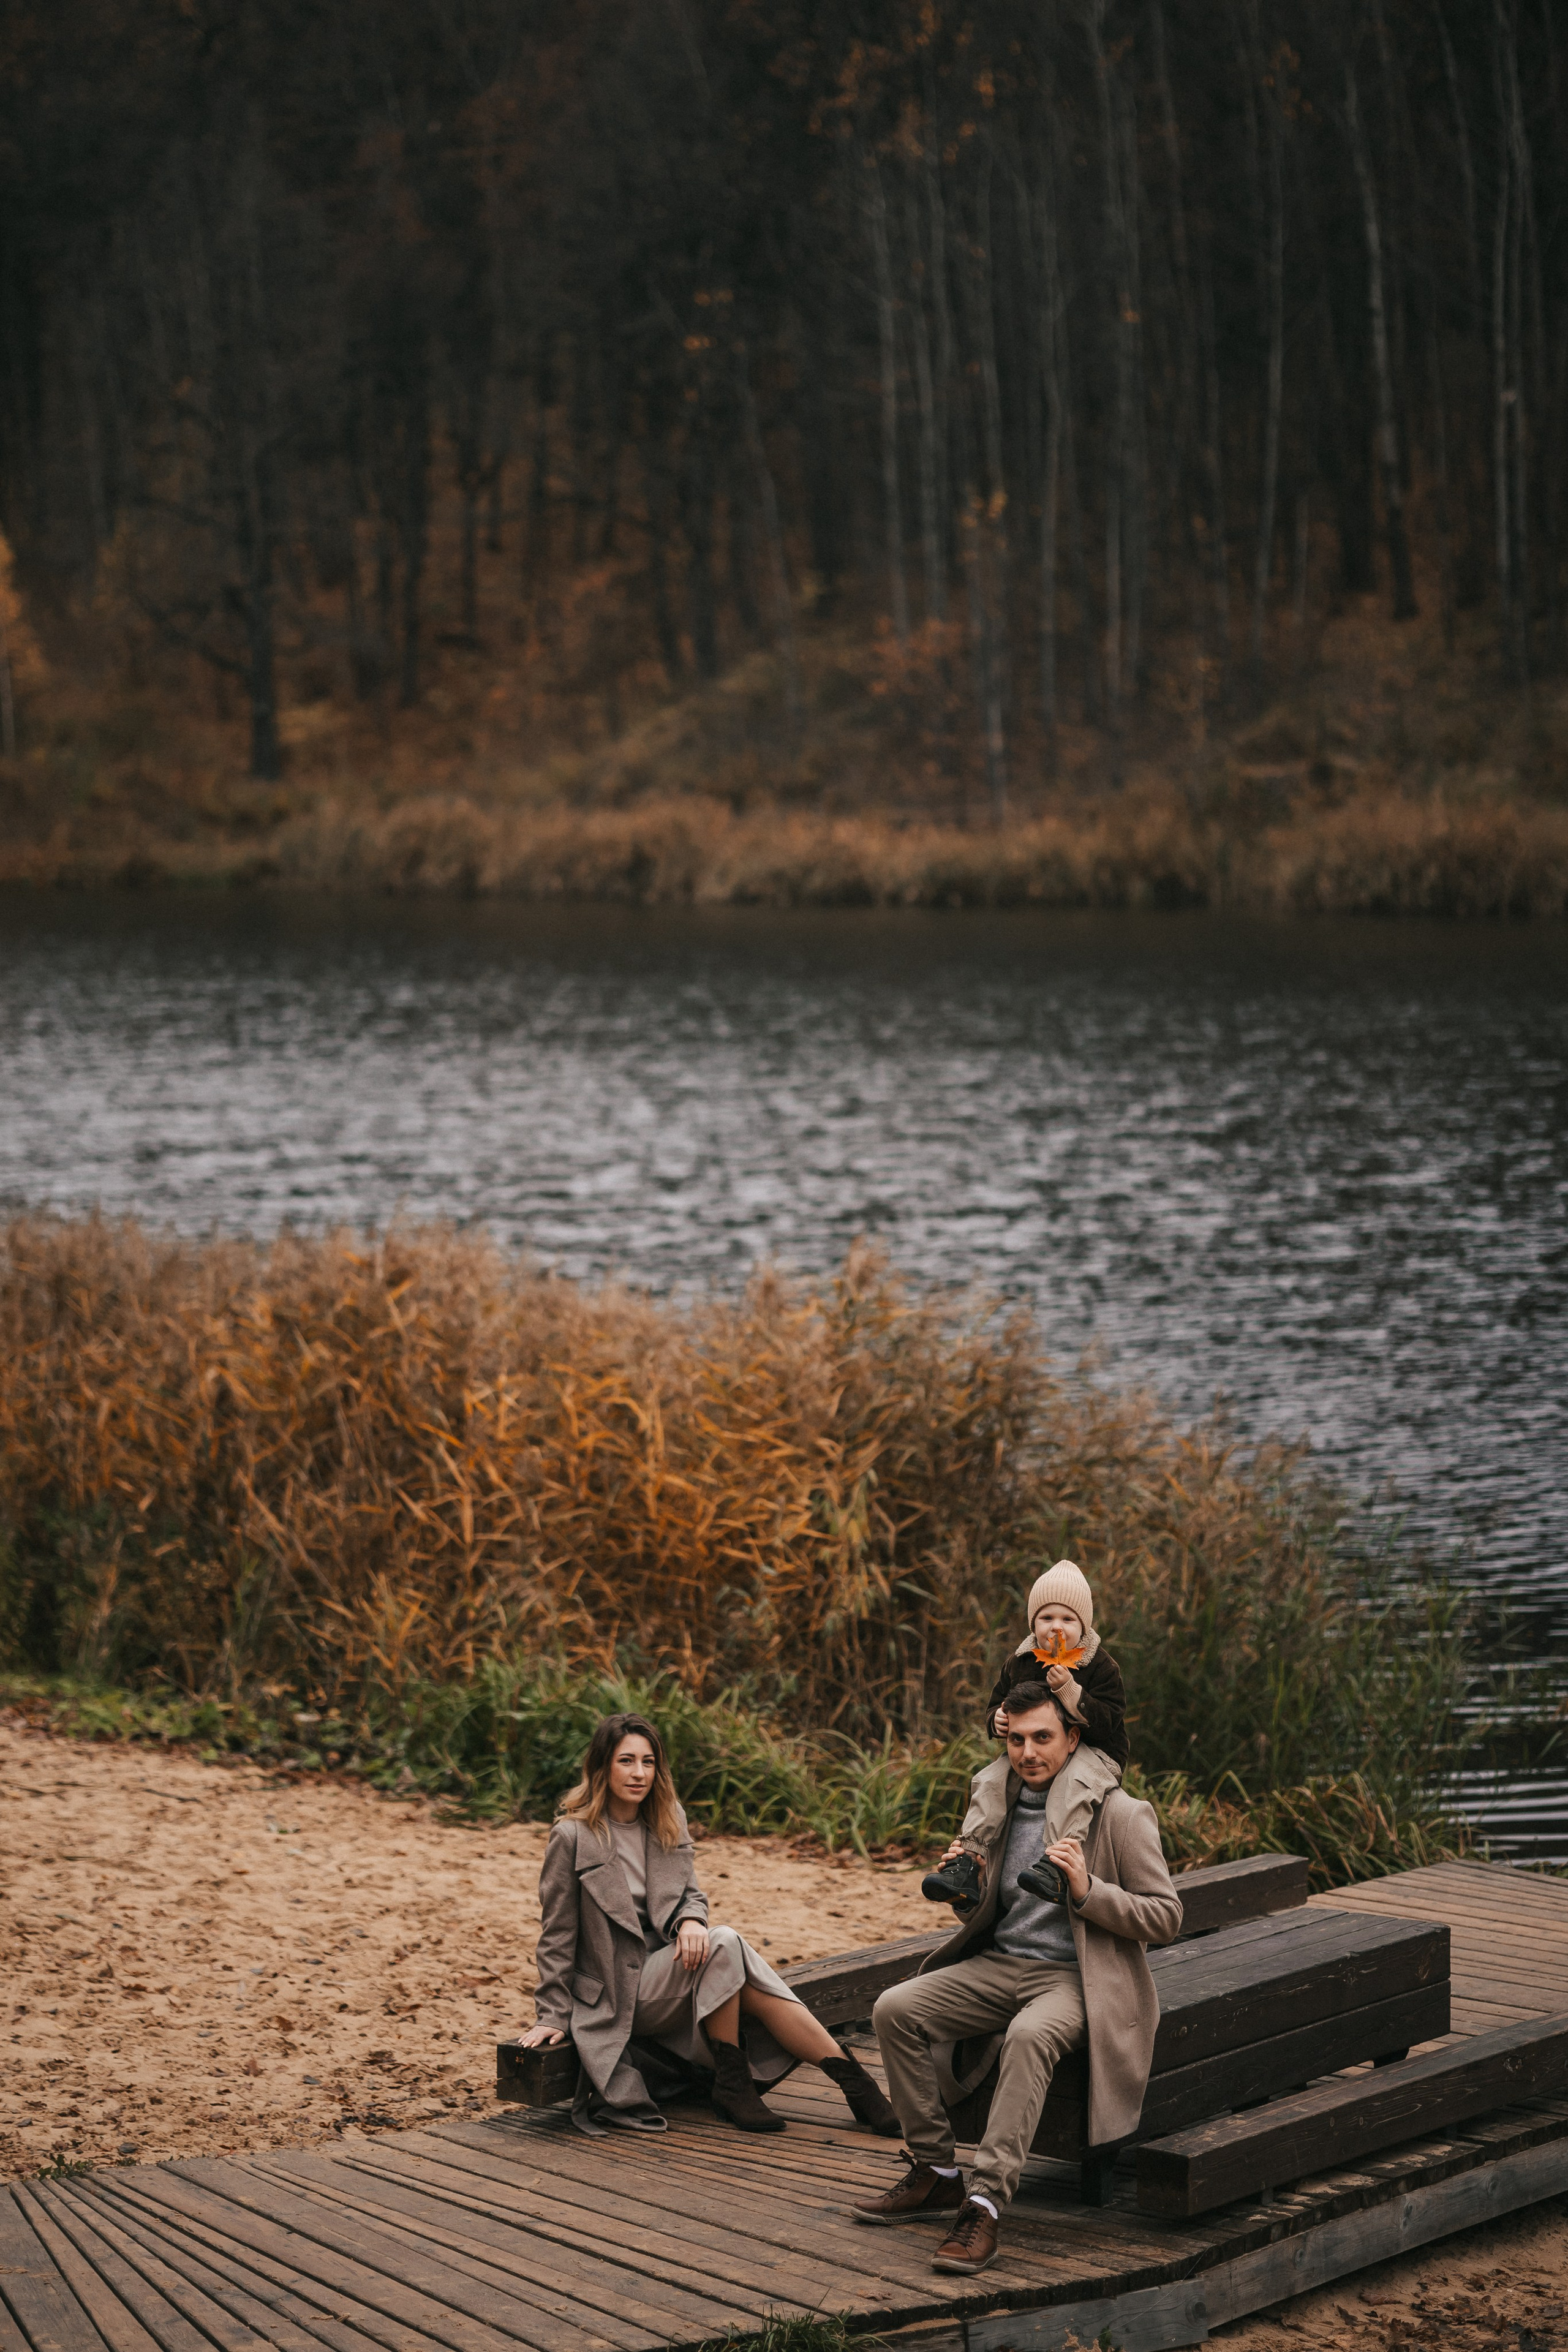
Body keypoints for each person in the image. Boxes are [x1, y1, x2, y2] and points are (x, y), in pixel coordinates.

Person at [853, 1680, 1180, 2276]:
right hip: (1000, 1967)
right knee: (894, 2008)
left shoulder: (1120, 1816)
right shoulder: (998, 1809)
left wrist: (1087, 1890)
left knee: (1030, 2036)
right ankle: (938, 2172)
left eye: (1043, 1739)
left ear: (1073, 1737)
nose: (1028, 1753)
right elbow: (989, 1914)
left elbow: (1165, 1918)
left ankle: (985, 2202)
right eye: (1018, 1740)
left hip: (1073, 1980)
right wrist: (966, 1883)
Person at [518, 1709, 900, 2138]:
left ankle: (842, 2086)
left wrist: (690, 1921)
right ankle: (841, 2087)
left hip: (669, 1970)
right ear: (602, 1765)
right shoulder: (572, 1837)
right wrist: (551, 2014)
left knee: (724, 1949)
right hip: (617, 1992)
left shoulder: (667, 1818)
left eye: (648, 1762)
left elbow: (689, 1895)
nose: (639, 1773)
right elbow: (557, 1935)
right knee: (727, 1945)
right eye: (626, 1761)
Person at [921, 1559, 1128, 1913]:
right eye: (1047, 1619)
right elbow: (997, 1700)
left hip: (1096, 1753)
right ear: (1033, 1623)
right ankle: (968, 1862)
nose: (1057, 1629)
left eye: (1068, 1620)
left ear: (1084, 1625)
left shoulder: (1100, 1665)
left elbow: (1109, 1720)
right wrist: (997, 1719)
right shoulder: (1021, 1661)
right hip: (1035, 1748)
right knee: (988, 1781)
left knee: (1072, 1786)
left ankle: (1056, 1865)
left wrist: (1070, 1692)